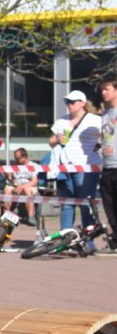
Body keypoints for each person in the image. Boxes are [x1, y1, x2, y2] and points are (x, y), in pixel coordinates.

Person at [52, 89, 102, 236]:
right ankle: (66, 237)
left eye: (72, 102)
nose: (69, 104)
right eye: (67, 102)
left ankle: (89, 238)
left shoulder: (95, 120)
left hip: (86, 168)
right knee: (66, 204)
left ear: (82, 103)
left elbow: (108, 136)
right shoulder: (61, 121)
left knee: (86, 204)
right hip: (64, 168)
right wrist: (56, 139)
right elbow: (51, 141)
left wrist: (99, 146)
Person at [98, 75, 117, 251]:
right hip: (107, 165)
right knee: (109, 206)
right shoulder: (105, 114)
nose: (103, 93)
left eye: (107, 89)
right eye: (102, 90)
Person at [3, 147, 37, 225]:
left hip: (29, 186)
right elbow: (11, 180)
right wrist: (9, 177)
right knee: (7, 190)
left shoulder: (33, 166)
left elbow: (34, 181)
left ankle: (31, 217)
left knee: (27, 190)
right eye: (15, 158)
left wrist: (23, 186)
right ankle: (8, 218)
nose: (16, 160)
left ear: (25, 157)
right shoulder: (14, 166)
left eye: (18, 158)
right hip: (16, 185)